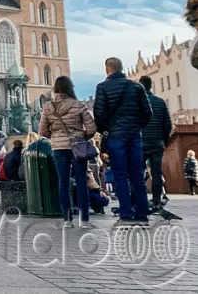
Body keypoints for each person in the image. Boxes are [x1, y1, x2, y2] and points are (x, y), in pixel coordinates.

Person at [93, 57, 152, 226]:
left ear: (107, 69)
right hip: (134, 136)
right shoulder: (137, 86)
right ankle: (142, 213)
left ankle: (126, 213)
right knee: (137, 176)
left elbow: (99, 113)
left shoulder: (102, 87)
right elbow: (148, 112)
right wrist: (137, 126)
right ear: (121, 68)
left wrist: (105, 130)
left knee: (120, 176)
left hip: (115, 137)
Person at [39, 76, 98, 229]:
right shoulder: (78, 105)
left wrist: (56, 137)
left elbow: (42, 131)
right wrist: (82, 136)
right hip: (77, 147)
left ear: (56, 88)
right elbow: (91, 128)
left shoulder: (48, 107)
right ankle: (84, 221)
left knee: (63, 183)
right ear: (70, 88)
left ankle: (67, 220)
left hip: (59, 148)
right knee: (81, 182)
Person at [137, 76, 172, 212]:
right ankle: (156, 200)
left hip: (140, 143)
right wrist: (163, 140)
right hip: (157, 143)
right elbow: (167, 124)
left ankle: (140, 200)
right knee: (157, 173)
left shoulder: (137, 104)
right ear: (151, 86)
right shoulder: (160, 102)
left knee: (138, 172)